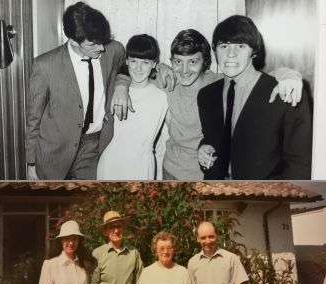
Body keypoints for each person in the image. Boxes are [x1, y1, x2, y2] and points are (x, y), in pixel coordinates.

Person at [112, 28, 304, 180]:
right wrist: (121, 86)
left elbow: (256, 77)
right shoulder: (167, 79)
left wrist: (290, 76)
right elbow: (133, 66)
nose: (184, 70)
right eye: (178, 61)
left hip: (205, 173)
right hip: (170, 169)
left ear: (204, 62)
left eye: (193, 61)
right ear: (171, 61)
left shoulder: (217, 83)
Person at [197, 15, 312, 179]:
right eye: (223, 46)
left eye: (240, 46)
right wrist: (203, 149)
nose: (230, 54)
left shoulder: (285, 92)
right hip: (217, 193)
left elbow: (300, 163)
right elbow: (214, 138)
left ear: (254, 52)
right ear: (215, 50)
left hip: (266, 198)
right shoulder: (207, 95)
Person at [26, 2, 128, 180]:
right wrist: (31, 164)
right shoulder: (44, 65)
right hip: (53, 151)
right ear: (73, 41)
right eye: (93, 45)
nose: (101, 48)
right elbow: (33, 119)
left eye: (103, 41)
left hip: (93, 147)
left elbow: (130, 67)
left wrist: (122, 85)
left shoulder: (114, 49)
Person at [97, 34, 168, 180]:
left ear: (154, 64)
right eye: (134, 61)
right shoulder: (115, 91)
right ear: (127, 61)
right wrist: (121, 87)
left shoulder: (162, 97)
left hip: (142, 164)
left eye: (146, 62)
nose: (139, 68)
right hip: (111, 163)